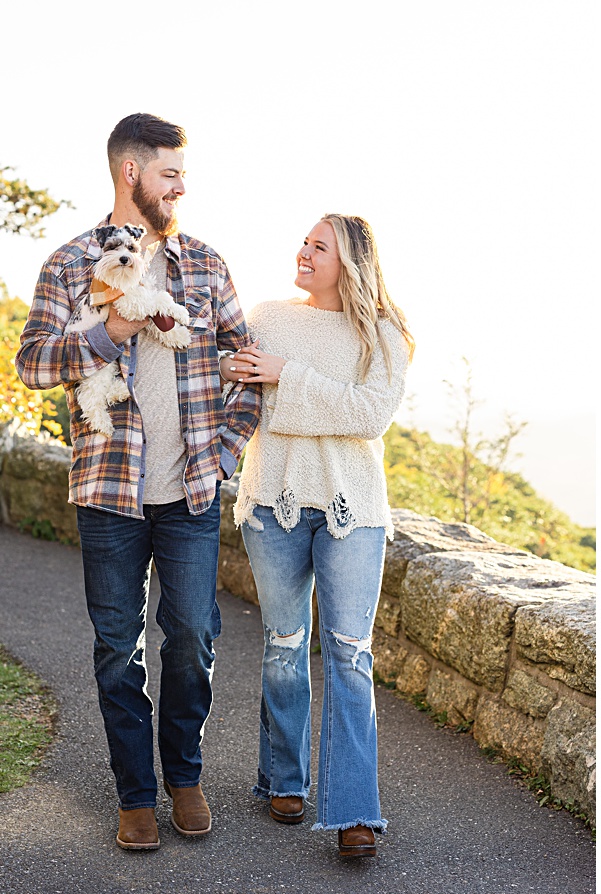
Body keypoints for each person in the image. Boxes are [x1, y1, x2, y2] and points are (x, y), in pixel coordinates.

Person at [15, 113, 261, 850]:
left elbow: (246, 367)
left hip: (190, 492)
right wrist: (110, 332)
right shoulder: (68, 264)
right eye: (171, 174)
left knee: (191, 636)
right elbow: (32, 364)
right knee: (118, 647)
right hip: (108, 496)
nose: (183, 187)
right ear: (132, 174)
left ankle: (183, 776)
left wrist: (224, 454)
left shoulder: (207, 266)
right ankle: (135, 794)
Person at [223, 213, 413, 858]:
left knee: (349, 656)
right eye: (303, 241)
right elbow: (244, 393)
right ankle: (284, 778)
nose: (302, 252)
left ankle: (356, 811)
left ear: (350, 262)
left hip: (352, 510)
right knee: (283, 644)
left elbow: (371, 416)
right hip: (271, 501)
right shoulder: (269, 317)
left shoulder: (383, 335)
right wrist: (273, 379)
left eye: (318, 246)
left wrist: (286, 376)